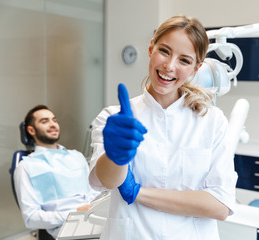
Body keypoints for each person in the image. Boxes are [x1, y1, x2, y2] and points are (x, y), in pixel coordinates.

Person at [89, 15, 237, 240]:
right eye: (165, 51)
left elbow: (219, 205)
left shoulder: (212, 121)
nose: (169, 66)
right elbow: (105, 181)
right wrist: (115, 156)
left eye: (184, 61)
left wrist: (137, 192)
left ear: (196, 68)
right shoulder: (115, 118)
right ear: (151, 48)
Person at [14, 105, 101, 240]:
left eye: (54, 120)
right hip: (64, 228)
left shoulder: (77, 156)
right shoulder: (26, 166)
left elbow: (94, 191)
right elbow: (31, 218)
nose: (52, 124)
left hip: (94, 220)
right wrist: (74, 213)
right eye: (44, 121)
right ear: (31, 130)